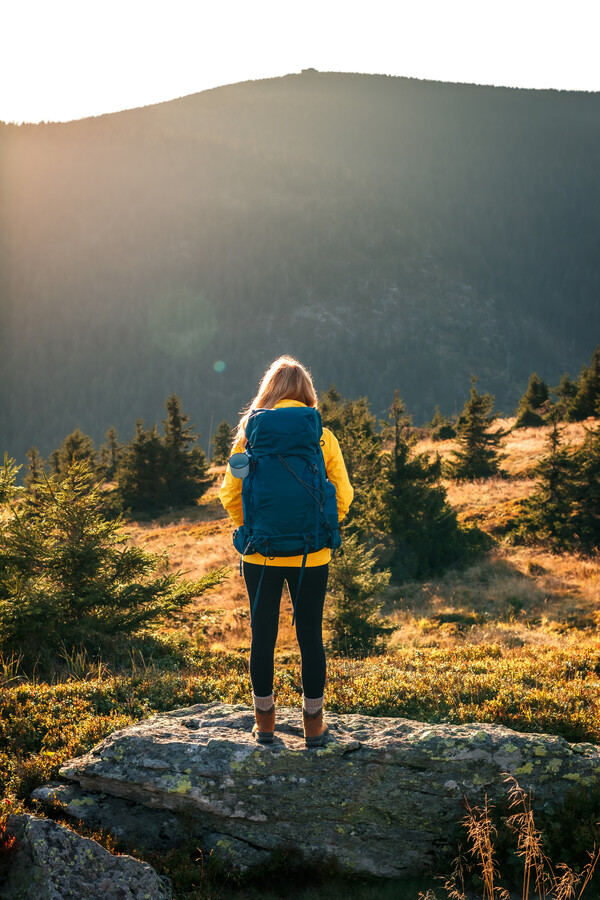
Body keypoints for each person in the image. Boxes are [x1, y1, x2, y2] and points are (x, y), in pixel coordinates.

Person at [219, 356, 353, 747]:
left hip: (260, 554)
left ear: (269, 392)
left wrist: (253, 529)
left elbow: (229, 494)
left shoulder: (252, 436)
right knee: (311, 635)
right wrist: (323, 529)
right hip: (312, 555)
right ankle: (313, 726)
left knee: (263, 637)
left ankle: (265, 725)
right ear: (306, 393)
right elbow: (342, 494)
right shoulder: (322, 437)